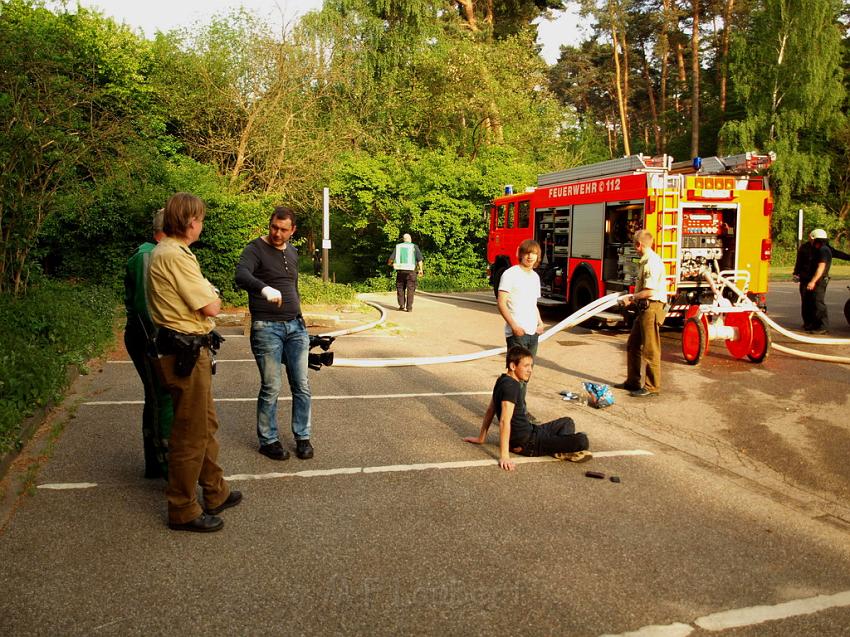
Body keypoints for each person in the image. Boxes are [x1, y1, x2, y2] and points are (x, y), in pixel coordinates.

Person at [148, 192, 241, 533]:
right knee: (190, 433)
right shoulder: (176, 256)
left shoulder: (171, 253)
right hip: (185, 352)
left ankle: (215, 490)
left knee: (205, 425)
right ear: (190, 222)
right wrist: (212, 296)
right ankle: (182, 508)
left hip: (185, 349)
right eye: (200, 219)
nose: (202, 225)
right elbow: (211, 306)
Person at [235, 206, 314, 461]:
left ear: (292, 231)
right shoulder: (254, 249)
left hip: (296, 327)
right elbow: (241, 275)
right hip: (267, 328)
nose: (277, 233)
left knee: (301, 385)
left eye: (283, 229)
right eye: (273, 227)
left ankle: (302, 437)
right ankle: (268, 440)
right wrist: (264, 289)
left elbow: (293, 285)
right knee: (271, 386)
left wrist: (299, 315)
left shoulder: (292, 251)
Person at [463, 346, 591, 471]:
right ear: (513, 366)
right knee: (582, 440)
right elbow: (504, 421)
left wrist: (481, 438)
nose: (530, 370)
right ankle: (560, 449)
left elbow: (491, 409)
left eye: (531, 366)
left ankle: (559, 448)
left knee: (567, 422)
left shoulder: (501, 380)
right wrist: (504, 456)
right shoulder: (511, 387)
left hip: (531, 431)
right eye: (526, 366)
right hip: (528, 444)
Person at [124, 209, 172, 480]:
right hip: (148, 338)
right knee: (161, 397)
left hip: (150, 337)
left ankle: (154, 461)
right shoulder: (146, 255)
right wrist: (161, 343)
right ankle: (163, 463)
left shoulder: (155, 253)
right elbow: (145, 307)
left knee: (156, 396)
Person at [616, 229, 667, 397]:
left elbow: (649, 291)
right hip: (645, 308)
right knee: (633, 345)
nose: (634, 247)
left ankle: (652, 386)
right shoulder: (646, 261)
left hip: (651, 307)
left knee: (650, 349)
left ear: (639, 245)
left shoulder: (651, 263)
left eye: (634, 244)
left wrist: (630, 298)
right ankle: (633, 381)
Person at [794, 228, 850, 334]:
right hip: (805, 278)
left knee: (817, 302)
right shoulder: (805, 248)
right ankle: (809, 323)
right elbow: (799, 261)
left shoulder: (824, 249)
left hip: (818, 280)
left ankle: (822, 326)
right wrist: (796, 273)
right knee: (807, 302)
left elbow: (822, 266)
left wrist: (813, 281)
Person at [497, 239, 544, 357]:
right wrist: (514, 326)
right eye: (527, 253)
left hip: (533, 333)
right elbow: (501, 303)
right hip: (517, 333)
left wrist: (540, 323)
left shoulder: (535, 277)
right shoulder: (510, 274)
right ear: (521, 254)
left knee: (527, 371)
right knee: (515, 371)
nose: (530, 257)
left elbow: (533, 305)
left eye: (534, 253)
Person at [388, 233, 424, 312]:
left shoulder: (398, 247)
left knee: (400, 288)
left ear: (403, 240)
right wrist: (421, 270)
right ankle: (409, 308)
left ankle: (401, 305)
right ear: (410, 239)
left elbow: (391, 258)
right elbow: (419, 260)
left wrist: (390, 264)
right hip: (411, 271)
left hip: (400, 271)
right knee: (410, 289)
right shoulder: (414, 246)